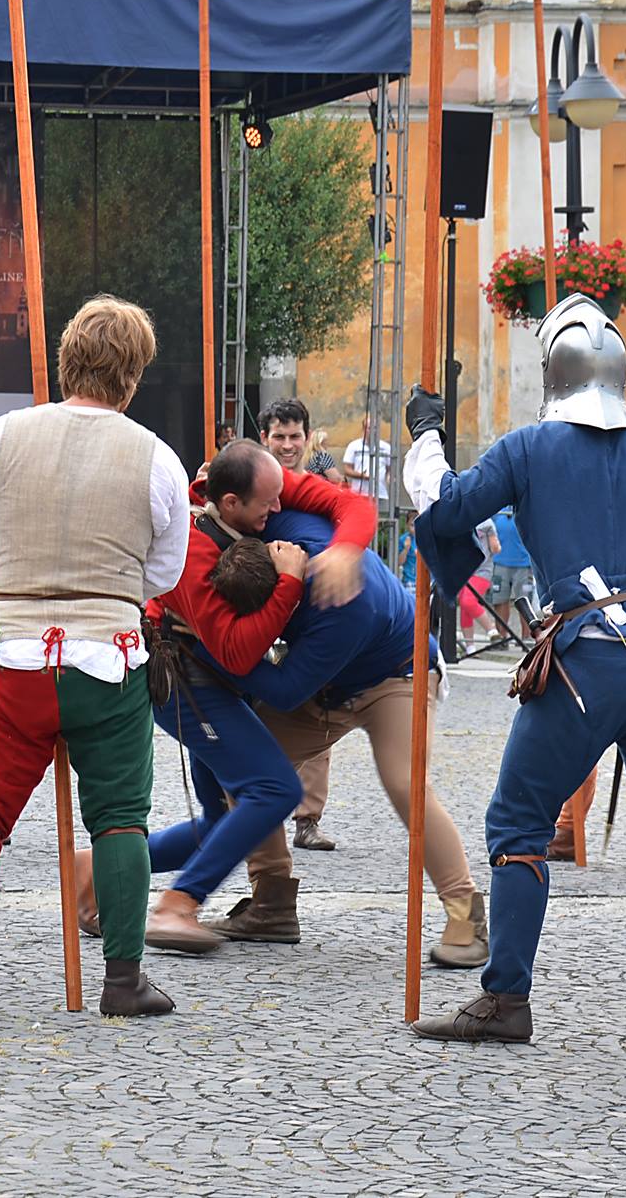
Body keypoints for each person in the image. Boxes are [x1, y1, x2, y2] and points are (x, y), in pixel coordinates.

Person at [402, 294, 626, 1047]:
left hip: (586, 663)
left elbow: (447, 508)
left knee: (517, 821)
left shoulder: (528, 448)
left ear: (552, 372)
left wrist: (428, 436)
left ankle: (506, 999)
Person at [0, 296, 189, 1017]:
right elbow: (163, 574)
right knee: (120, 820)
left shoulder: (6, 435)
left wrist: (15, 546)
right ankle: (123, 981)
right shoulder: (157, 457)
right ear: (133, 376)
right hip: (109, 661)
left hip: (17, 657)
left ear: (66, 362)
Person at [180, 507, 488, 969]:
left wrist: (213, 651)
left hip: (397, 675)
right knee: (248, 773)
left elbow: (285, 690)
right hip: (327, 683)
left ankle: (466, 916)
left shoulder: (340, 606)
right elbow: (288, 488)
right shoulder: (273, 527)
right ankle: (271, 904)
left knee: (406, 785)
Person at [133, 440, 383, 955]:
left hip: (215, 685)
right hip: (188, 685)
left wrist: (344, 550)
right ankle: (177, 906)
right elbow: (236, 651)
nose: (279, 508)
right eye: (268, 503)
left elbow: (355, 505)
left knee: (221, 819)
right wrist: (289, 584)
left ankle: (99, 870)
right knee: (274, 790)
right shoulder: (192, 545)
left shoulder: (257, 486)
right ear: (230, 503)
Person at [259, 397, 340, 851]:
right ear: (265, 438)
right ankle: (254, 808)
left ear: (307, 438)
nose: (287, 445)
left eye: (294, 436)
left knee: (317, 718)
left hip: (309, 618)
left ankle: (307, 818)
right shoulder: (251, 479)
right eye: (279, 436)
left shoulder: (320, 488)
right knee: (256, 715)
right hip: (261, 613)